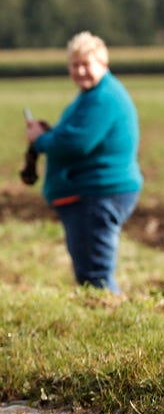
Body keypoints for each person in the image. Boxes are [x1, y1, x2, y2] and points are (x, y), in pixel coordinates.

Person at [25, 31, 142, 294]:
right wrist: (48, 135)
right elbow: (73, 136)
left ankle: (113, 326)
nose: (80, 71)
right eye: (74, 65)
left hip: (99, 193)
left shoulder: (103, 98)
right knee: (90, 272)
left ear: (103, 64)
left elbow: (76, 143)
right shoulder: (93, 95)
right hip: (93, 192)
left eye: (86, 64)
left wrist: (40, 140)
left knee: (95, 275)